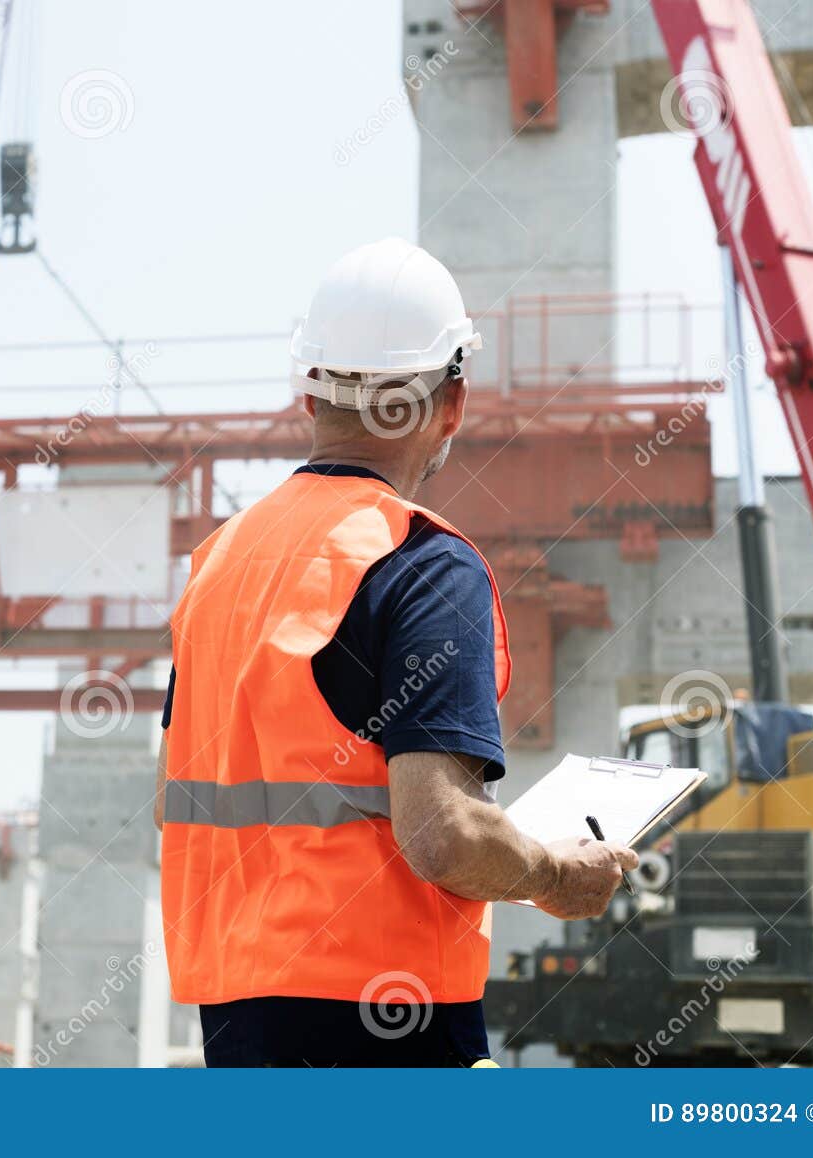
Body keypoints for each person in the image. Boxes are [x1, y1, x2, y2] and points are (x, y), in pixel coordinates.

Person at [156, 238, 638, 1067]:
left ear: (308, 391)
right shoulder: (422, 564)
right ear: (452, 404)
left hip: (236, 1021)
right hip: (389, 1020)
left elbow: (179, 801)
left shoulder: (219, 565)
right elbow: (441, 836)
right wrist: (558, 876)